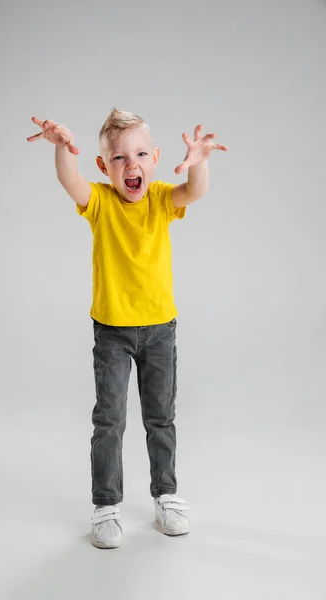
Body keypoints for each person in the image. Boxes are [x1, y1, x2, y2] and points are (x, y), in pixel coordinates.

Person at [27, 109, 228, 549]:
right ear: (104, 166)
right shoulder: (99, 201)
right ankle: (106, 505)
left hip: (160, 329)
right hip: (113, 332)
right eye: (118, 158)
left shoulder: (159, 199)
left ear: (155, 158)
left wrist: (199, 159)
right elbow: (70, 181)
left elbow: (196, 190)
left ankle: (166, 495)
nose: (130, 165)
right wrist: (63, 148)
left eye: (140, 155)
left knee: (161, 419)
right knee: (110, 420)